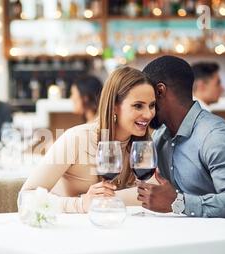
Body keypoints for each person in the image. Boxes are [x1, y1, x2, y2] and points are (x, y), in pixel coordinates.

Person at [138, 55, 225, 223]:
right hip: (194, 242)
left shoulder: (214, 137)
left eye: (147, 99)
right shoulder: (160, 138)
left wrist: (178, 202)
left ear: (160, 91)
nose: (145, 110)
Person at [21, 66, 156, 213]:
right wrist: (80, 204)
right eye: (138, 106)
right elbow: (25, 198)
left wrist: (108, 199)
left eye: (152, 105)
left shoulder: (144, 145)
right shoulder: (76, 139)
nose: (148, 114)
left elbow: (152, 193)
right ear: (114, 106)